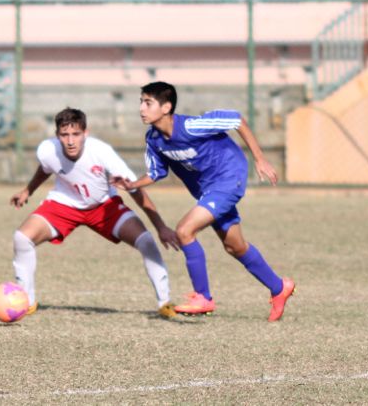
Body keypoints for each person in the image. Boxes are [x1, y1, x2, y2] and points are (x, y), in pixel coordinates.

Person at [111, 81, 295, 321]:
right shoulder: (154, 139)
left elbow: (237, 119)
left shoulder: (192, 126)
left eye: (148, 103)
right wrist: (132, 185)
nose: (142, 109)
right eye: (141, 103)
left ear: (166, 107)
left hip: (229, 179)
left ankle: (203, 296)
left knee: (184, 230)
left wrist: (259, 159)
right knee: (235, 246)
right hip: (209, 191)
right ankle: (279, 288)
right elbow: (156, 172)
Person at [10, 107, 180, 319]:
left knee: (145, 241)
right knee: (21, 238)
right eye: (64, 135)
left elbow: (135, 189)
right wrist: (28, 190)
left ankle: (164, 303)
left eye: (76, 134)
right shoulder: (47, 150)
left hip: (103, 207)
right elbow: (45, 168)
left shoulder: (102, 152)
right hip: (64, 206)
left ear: (85, 133)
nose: (70, 141)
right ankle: (25, 300)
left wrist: (161, 227)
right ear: (57, 136)